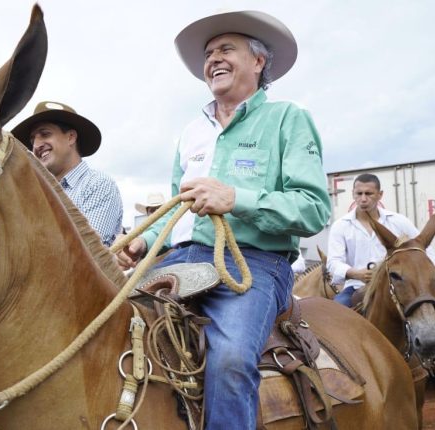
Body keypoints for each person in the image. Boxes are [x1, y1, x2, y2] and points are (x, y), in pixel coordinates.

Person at [116, 10, 331, 429]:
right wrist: (145, 241)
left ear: (258, 62)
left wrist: (236, 198)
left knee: (230, 360)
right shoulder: (191, 133)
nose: (213, 58)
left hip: (253, 264)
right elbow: (177, 210)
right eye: (209, 53)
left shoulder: (288, 119)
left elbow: (313, 209)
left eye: (226, 49)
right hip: (178, 260)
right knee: (107, 324)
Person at [326, 172, 435, 408]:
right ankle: (333, 379)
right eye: (358, 194)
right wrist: (355, 273)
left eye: (368, 194)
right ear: (353, 195)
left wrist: (421, 273)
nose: (363, 199)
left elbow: (425, 254)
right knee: (332, 321)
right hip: (357, 287)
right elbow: (333, 262)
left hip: (399, 288)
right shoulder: (341, 226)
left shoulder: (398, 221)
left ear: (379, 195)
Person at [12, 101, 123, 246]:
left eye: (45, 134)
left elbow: (88, 253)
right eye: (33, 140)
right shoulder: (35, 193)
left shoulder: (98, 184)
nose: (36, 145)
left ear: (71, 137)